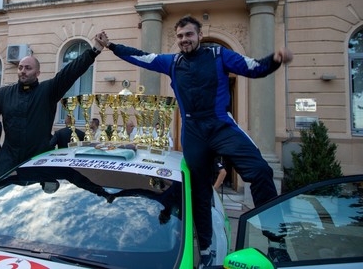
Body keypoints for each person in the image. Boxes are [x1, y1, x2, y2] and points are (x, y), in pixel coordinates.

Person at [95, 15, 293, 265]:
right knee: (199, 192)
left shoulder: (219, 55)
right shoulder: (172, 62)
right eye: (179, 36)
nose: (184, 40)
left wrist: (274, 60)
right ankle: (207, 249)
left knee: (261, 171)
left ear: (200, 36)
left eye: (189, 35)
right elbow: (140, 56)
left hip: (221, 125)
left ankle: (276, 243)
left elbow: (252, 67)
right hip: (193, 131)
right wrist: (111, 46)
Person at [0, 43, 104, 179]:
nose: (23, 71)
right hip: (7, 168)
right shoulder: (3, 94)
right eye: (20, 67)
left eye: (28, 68)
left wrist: (93, 51)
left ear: (37, 73)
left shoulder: (47, 90)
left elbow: (70, 72)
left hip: (38, 165)